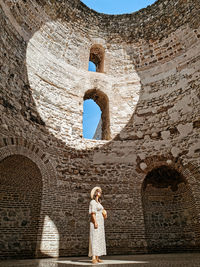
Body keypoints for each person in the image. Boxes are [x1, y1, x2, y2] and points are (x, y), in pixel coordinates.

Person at [88, 186, 107, 264]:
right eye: (99, 191)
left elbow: (102, 212)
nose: (100, 193)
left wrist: (105, 213)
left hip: (101, 223)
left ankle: (97, 256)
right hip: (95, 222)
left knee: (99, 239)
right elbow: (93, 213)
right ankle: (93, 257)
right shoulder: (92, 202)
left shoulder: (99, 203)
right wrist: (95, 222)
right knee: (94, 238)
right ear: (96, 193)